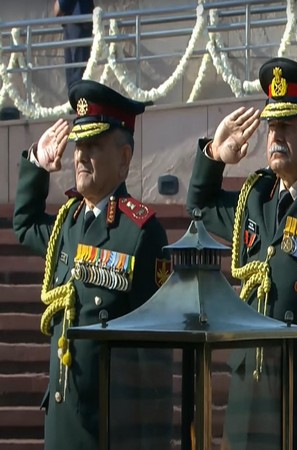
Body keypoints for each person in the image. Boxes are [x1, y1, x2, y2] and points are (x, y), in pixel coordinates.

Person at [186, 57, 297, 450]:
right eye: (271, 125)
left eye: (286, 124)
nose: (274, 135)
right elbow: (198, 206)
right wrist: (215, 154)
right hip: (246, 408)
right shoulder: (256, 199)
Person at [13, 80, 170, 449]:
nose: (81, 156)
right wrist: (37, 162)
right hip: (63, 418)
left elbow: (154, 358)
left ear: (125, 158)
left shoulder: (141, 233)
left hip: (110, 428)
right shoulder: (67, 224)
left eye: (94, 146)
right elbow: (24, 224)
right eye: (79, 146)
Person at [54, 0, 94, 90]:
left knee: (77, 74)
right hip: (73, 22)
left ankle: (78, 102)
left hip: (78, 23)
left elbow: (59, 9)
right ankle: (76, 101)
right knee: (74, 73)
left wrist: (60, 4)